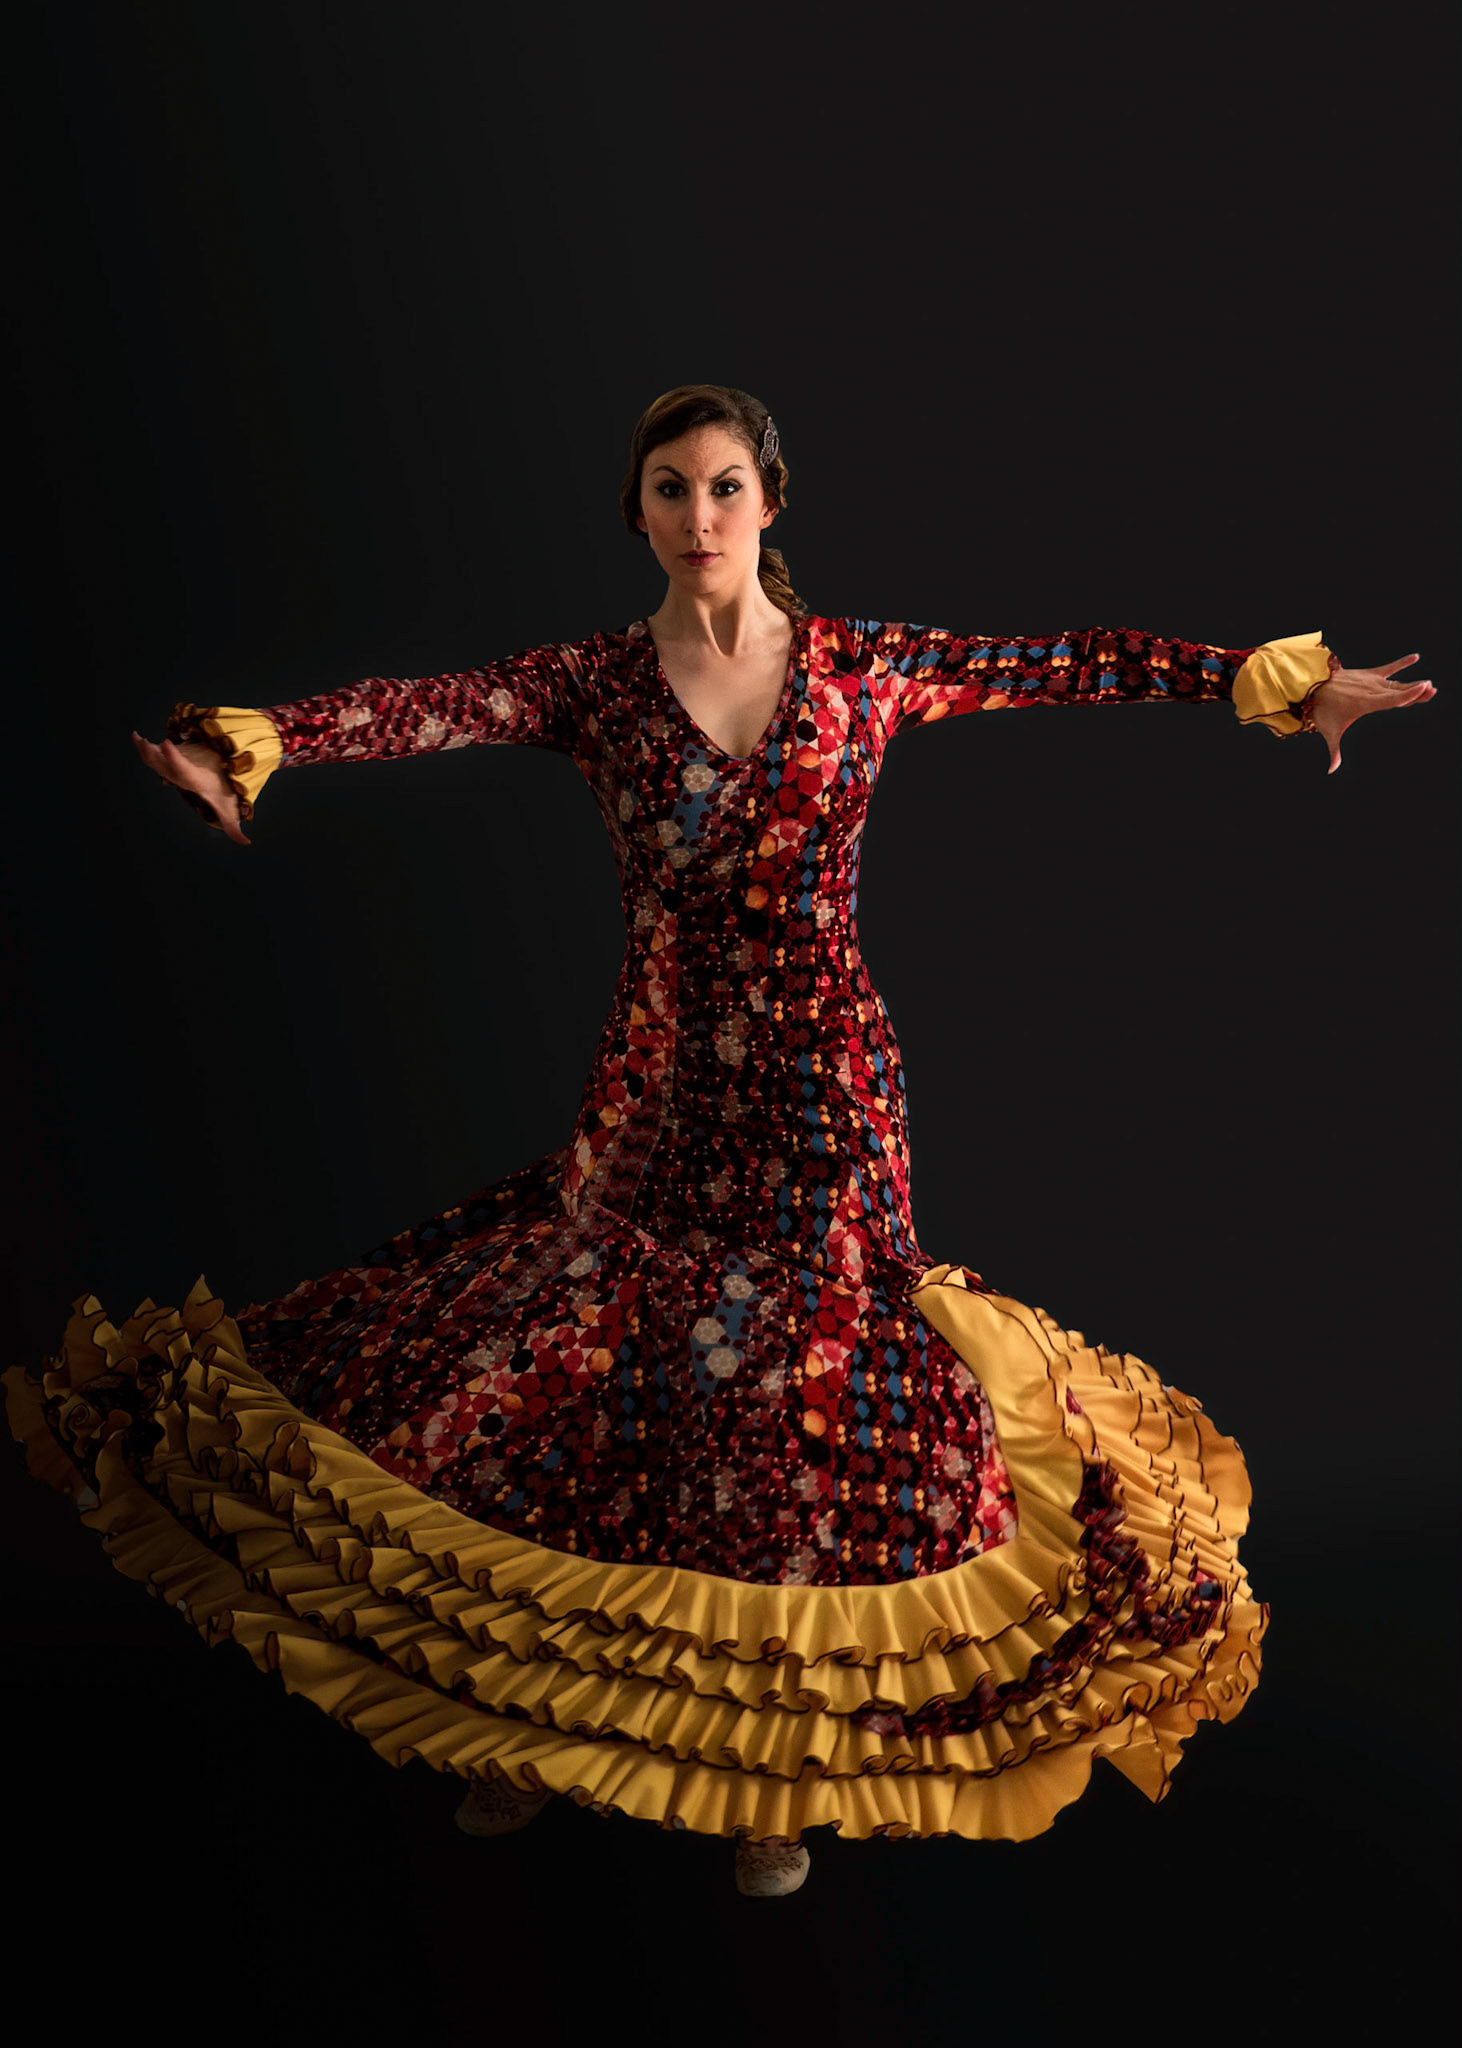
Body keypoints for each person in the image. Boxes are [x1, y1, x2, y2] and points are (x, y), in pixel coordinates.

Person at [5, 383, 1435, 1901]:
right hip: (661, 1088)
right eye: (671, 488)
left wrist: (1267, 685)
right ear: (635, 512)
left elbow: (1067, 660)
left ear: (770, 501)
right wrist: (259, 746)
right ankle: (531, 1724)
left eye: (726, 485)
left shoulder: (865, 668)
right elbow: (427, 707)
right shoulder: (597, 684)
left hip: (827, 1084)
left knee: (800, 1409)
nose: (701, 516)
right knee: (603, 1372)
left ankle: (773, 1776)